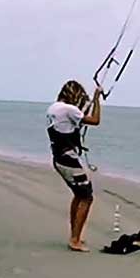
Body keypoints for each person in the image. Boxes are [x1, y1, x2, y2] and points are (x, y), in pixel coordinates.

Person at [46, 80, 103, 252]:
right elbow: (95, 120)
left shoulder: (54, 108)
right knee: (87, 197)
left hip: (59, 159)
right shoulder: (69, 110)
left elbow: (69, 126)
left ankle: (75, 236)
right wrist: (97, 98)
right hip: (68, 161)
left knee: (79, 195)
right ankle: (74, 239)